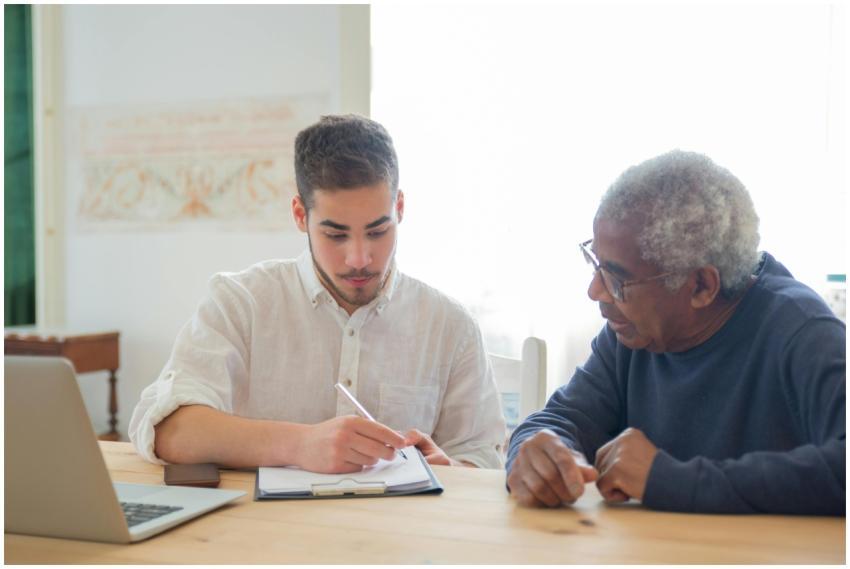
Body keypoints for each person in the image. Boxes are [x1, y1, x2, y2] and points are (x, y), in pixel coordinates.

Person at [129, 114, 505, 473]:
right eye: (335, 234)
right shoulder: (241, 302)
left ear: (400, 208)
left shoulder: (450, 325)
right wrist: (300, 444)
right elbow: (167, 429)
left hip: (402, 535)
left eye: (377, 231)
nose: (359, 258)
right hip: (263, 534)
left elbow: (484, 460)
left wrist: (449, 469)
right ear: (299, 215)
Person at [506, 150, 845, 515]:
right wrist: (536, 450)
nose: (596, 292)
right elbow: (561, 419)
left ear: (701, 285)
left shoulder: (802, 332)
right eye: (596, 265)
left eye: (617, 279)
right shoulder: (633, 333)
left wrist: (670, 480)